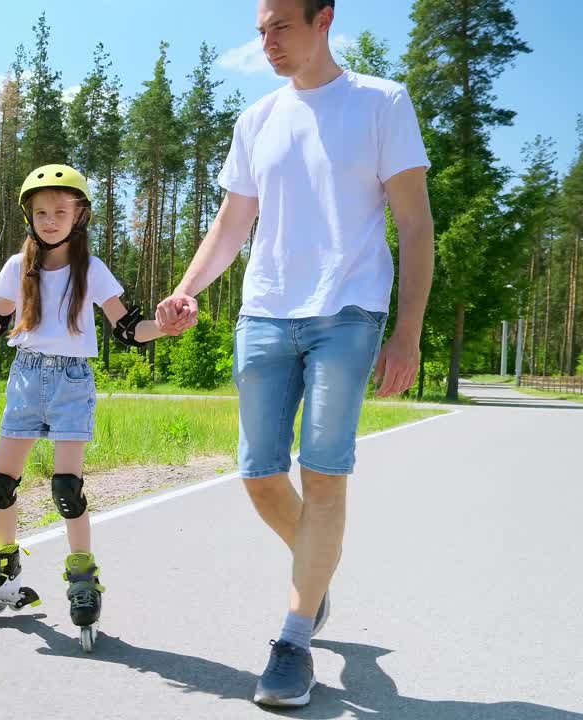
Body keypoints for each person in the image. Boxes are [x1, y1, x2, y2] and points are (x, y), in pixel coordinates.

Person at [157, 0, 435, 706]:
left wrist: (407, 332)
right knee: (258, 474)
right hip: (266, 312)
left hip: (348, 311)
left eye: (281, 25)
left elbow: (414, 223)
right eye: (260, 30)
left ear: (323, 19)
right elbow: (231, 224)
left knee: (325, 471)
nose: (267, 42)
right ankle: (316, 576)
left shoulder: (381, 103)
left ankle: (293, 636)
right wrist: (186, 290)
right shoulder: (256, 120)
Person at [0, 164, 172, 651]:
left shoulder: (93, 270)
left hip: (71, 381)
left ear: (79, 215)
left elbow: (127, 329)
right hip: (25, 376)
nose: (50, 219)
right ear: (29, 216)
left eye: (60, 211)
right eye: (41, 211)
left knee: (67, 488)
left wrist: (164, 329)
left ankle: (83, 578)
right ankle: (2, 569)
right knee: (0, 484)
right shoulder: (15, 268)